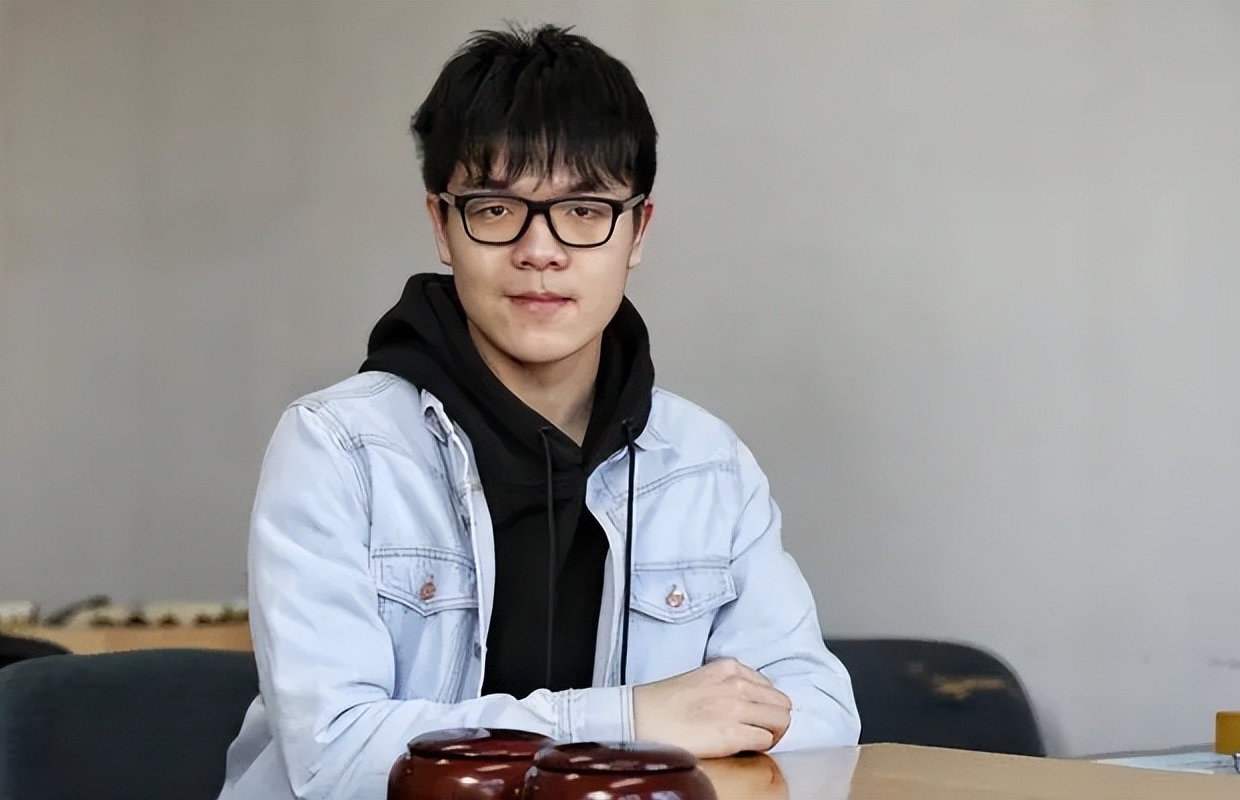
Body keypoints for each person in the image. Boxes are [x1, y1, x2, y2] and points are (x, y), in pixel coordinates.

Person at [219, 23, 859, 799]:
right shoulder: (337, 449)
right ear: (442, 226)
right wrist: (628, 721)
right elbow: (337, 753)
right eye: (496, 209)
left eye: (585, 210)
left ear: (638, 231)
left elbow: (819, 713)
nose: (541, 251)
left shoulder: (705, 464)